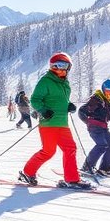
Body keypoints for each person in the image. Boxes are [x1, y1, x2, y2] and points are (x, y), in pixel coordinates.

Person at [17, 53, 90, 189]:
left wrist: (68, 105)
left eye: (65, 66)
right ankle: (28, 172)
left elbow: (60, 100)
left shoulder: (65, 84)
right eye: (58, 66)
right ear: (52, 67)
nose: (62, 69)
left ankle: (72, 179)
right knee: (48, 151)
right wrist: (43, 110)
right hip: (48, 123)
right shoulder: (46, 81)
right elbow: (35, 100)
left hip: (62, 123)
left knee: (70, 149)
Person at [78, 79, 110, 176]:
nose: (109, 96)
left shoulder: (108, 104)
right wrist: (87, 121)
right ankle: (87, 167)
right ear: (103, 90)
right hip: (95, 128)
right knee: (102, 145)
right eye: (108, 93)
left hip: (103, 128)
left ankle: (106, 167)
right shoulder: (96, 100)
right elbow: (81, 111)